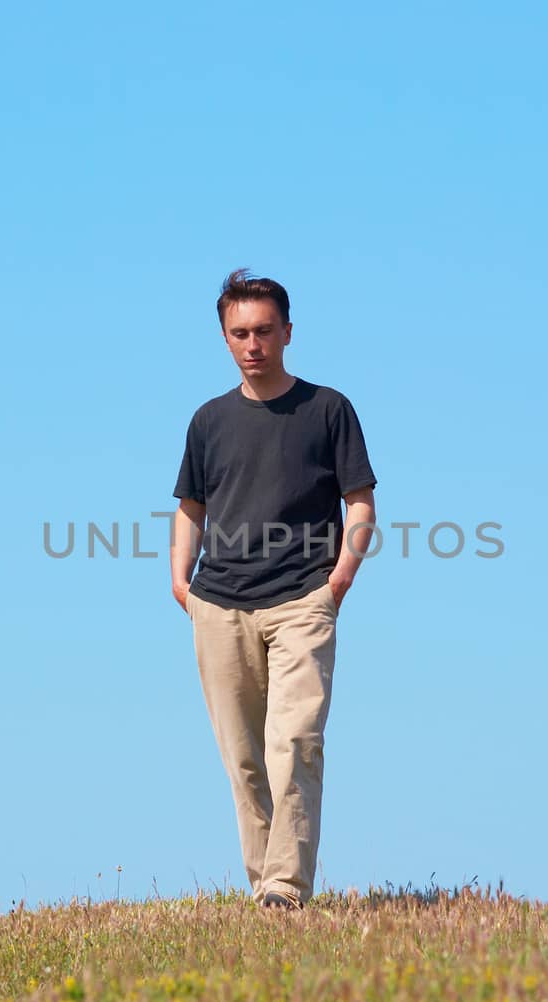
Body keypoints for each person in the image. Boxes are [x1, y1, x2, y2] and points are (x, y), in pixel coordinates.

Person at [170, 268, 377, 911]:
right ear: (225, 339)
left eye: (263, 331)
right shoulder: (209, 420)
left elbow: (360, 503)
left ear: (287, 332)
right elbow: (191, 507)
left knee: (296, 741)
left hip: (303, 600)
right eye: (239, 333)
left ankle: (286, 887)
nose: (252, 343)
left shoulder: (328, 409)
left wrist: (340, 577)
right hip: (219, 602)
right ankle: (265, 886)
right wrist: (180, 582)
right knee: (245, 758)